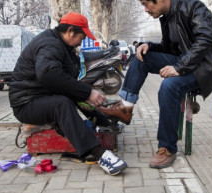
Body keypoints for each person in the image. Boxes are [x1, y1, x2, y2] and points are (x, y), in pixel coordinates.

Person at [98, 0, 212, 169]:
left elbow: (205, 39)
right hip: (187, 63)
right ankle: (125, 107)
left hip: (207, 67)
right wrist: (149, 46)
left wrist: (179, 68)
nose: (146, 10)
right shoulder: (167, 18)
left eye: (146, 4)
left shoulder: (193, 6)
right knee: (142, 56)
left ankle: (167, 148)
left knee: (169, 86)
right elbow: (169, 49)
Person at [9, 12, 127, 176]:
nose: (82, 41)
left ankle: (104, 122)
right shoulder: (50, 45)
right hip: (26, 104)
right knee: (62, 103)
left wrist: (88, 95)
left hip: (41, 96)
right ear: (70, 31)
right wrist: (87, 93)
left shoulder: (63, 45)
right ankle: (100, 155)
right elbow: (49, 75)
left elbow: (67, 83)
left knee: (74, 92)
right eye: (82, 37)